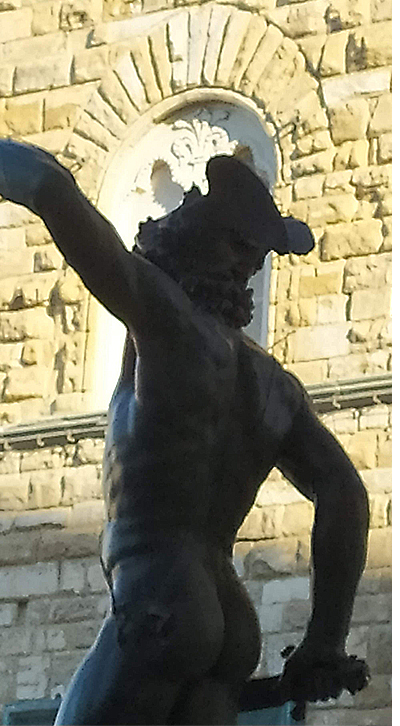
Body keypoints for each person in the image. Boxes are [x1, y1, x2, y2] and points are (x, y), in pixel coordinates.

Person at [0, 139, 369, 724]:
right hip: (228, 618)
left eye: (189, 204)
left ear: (211, 241)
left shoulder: (166, 319)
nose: (165, 214)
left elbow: (50, 189)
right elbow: (344, 491)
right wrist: (325, 640)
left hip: (160, 601)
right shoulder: (274, 385)